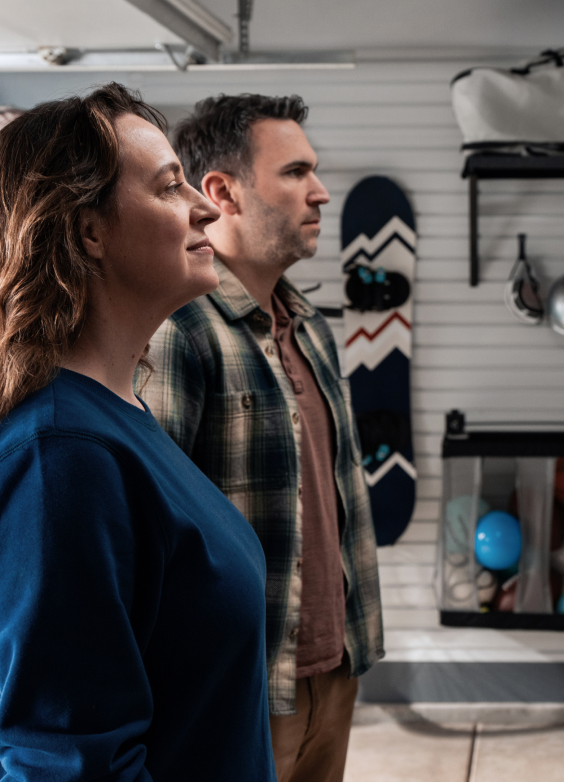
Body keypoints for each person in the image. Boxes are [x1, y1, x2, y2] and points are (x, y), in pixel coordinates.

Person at [0, 83, 275, 782]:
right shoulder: (57, 461)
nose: (204, 206)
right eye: (170, 188)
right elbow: (70, 768)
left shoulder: (117, 417)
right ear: (88, 230)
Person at [141, 94, 383, 782]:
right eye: (295, 172)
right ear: (223, 192)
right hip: (241, 690)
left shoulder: (310, 327)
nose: (321, 191)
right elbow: (148, 541)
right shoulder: (178, 330)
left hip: (332, 673)